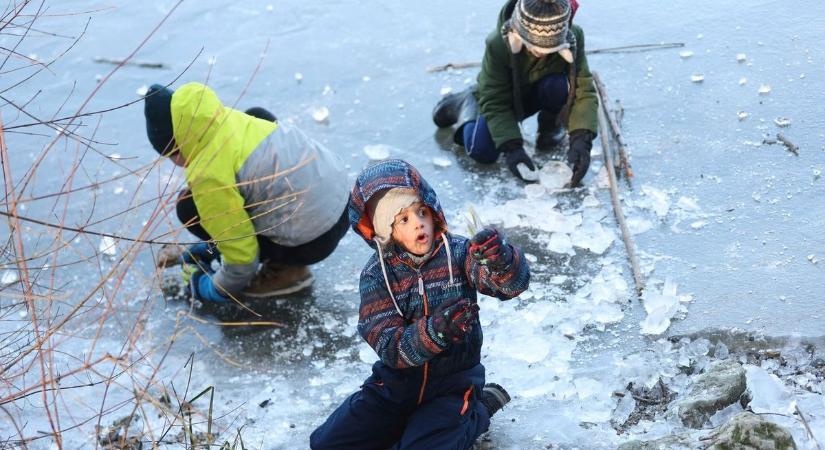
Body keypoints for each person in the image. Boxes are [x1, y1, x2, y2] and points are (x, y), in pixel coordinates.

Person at [310, 159, 530, 449]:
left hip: (452, 384)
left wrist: (501, 260)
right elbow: (388, 344)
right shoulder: (376, 276)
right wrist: (433, 332)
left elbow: (508, 286)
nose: (417, 222)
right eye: (403, 219)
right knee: (326, 444)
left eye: (421, 211)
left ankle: (478, 410)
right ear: (384, 233)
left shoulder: (460, 253)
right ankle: (408, 426)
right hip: (395, 385)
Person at [144, 82, 350, 303]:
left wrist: (211, 288)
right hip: (345, 205)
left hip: (313, 240)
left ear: (176, 147)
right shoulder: (236, 119)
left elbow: (242, 259)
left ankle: (288, 271)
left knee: (189, 207)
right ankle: (283, 255)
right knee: (258, 123)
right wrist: (212, 248)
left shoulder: (208, 175)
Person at [432, 0, 598, 186]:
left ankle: (550, 128)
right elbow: (494, 100)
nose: (541, 54)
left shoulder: (574, 37)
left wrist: (582, 138)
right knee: (481, 151)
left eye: (550, 49)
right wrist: (512, 148)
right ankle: (463, 101)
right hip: (501, 97)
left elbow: (583, 89)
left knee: (561, 85)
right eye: (535, 47)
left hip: (535, 93)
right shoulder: (498, 44)